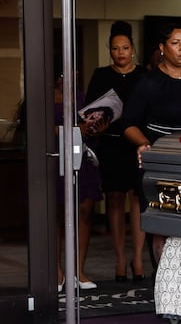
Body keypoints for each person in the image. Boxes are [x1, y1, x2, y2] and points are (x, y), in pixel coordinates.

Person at [121, 22, 181, 269]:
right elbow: (128, 124)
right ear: (162, 48)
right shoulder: (149, 82)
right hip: (159, 161)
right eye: (175, 43)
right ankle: (163, 284)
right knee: (161, 224)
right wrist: (145, 145)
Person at [84, 20, 147, 282]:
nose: (120, 53)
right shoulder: (101, 74)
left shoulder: (144, 75)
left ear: (132, 49)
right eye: (115, 48)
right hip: (110, 142)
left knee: (137, 200)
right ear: (109, 50)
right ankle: (120, 257)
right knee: (115, 200)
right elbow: (89, 111)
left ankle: (138, 258)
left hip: (135, 144)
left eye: (125, 48)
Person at [55, 71, 105, 291]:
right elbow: (37, 129)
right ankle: (57, 272)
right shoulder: (43, 97)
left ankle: (78, 270)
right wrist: (73, 130)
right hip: (55, 158)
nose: (69, 78)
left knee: (85, 212)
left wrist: (97, 127)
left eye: (74, 74)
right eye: (64, 75)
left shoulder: (83, 97)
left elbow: (90, 128)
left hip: (81, 158)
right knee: (56, 215)